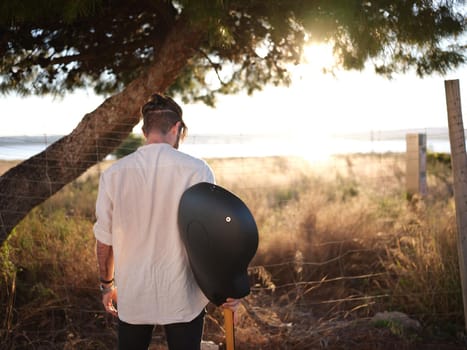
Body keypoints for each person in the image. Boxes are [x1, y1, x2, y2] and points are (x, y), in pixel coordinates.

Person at [93, 93, 240, 350]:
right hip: (183, 295)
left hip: (133, 296)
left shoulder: (113, 175)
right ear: (176, 127)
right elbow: (214, 239)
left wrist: (107, 286)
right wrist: (228, 288)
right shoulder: (197, 170)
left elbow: (104, 243)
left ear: (144, 130)